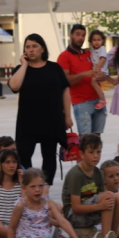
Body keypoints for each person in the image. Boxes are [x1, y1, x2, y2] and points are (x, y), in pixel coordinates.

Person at [9, 34, 72, 185]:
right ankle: (29, 185)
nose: (31, 50)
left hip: (51, 120)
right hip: (28, 121)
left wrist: (68, 116)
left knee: (49, 156)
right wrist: (24, 64)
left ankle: (45, 188)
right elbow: (14, 86)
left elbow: (65, 91)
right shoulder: (20, 69)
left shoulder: (54, 68)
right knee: (24, 155)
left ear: (42, 48)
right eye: (28, 47)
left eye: (34, 46)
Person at [9, 168, 96, 238]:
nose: (37, 190)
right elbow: (11, 228)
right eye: (33, 187)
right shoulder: (21, 205)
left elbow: (62, 221)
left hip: (47, 237)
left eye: (40, 186)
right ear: (24, 188)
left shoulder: (47, 202)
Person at [61, 133, 119, 238]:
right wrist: (100, 207)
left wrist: (111, 204)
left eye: (98, 152)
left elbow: (103, 199)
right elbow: (76, 207)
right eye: (91, 152)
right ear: (82, 154)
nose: (96, 156)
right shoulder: (76, 174)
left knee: (118, 198)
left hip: (90, 212)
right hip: (74, 215)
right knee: (109, 197)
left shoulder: (98, 173)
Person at [58, 24, 108, 137]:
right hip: (81, 103)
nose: (80, 38)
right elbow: (64, 81)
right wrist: (85, 74)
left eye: (83, 35)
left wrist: (104, 76)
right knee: (86, 140)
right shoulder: (64, 57)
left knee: (97, 138)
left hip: (98, 101)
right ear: (71, 36)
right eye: (77, 34)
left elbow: (102, 66)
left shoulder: (89, 53)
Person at [87, 29, 110, 111]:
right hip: (97, 71)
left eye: (99, 40)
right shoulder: (93, 50)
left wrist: (97, 68)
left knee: (93, 81)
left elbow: (102, 59)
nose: (97, 42)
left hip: (102, 71)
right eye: (94, 40)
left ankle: (102, 100)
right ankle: (100, 97)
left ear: (102, 40)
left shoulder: (102, 49)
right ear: (91, 41)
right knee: (94, 82)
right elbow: (89, 51)